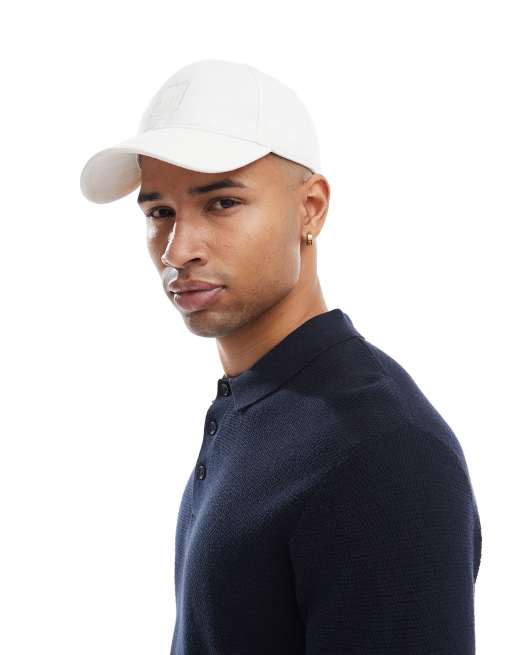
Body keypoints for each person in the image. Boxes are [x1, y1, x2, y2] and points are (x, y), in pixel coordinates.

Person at [80, 59, 482, 654]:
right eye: (160, 212)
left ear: (310, 207)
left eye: (221, 203)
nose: (178, 250)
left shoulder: (382, 450)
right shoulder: (258, 402)